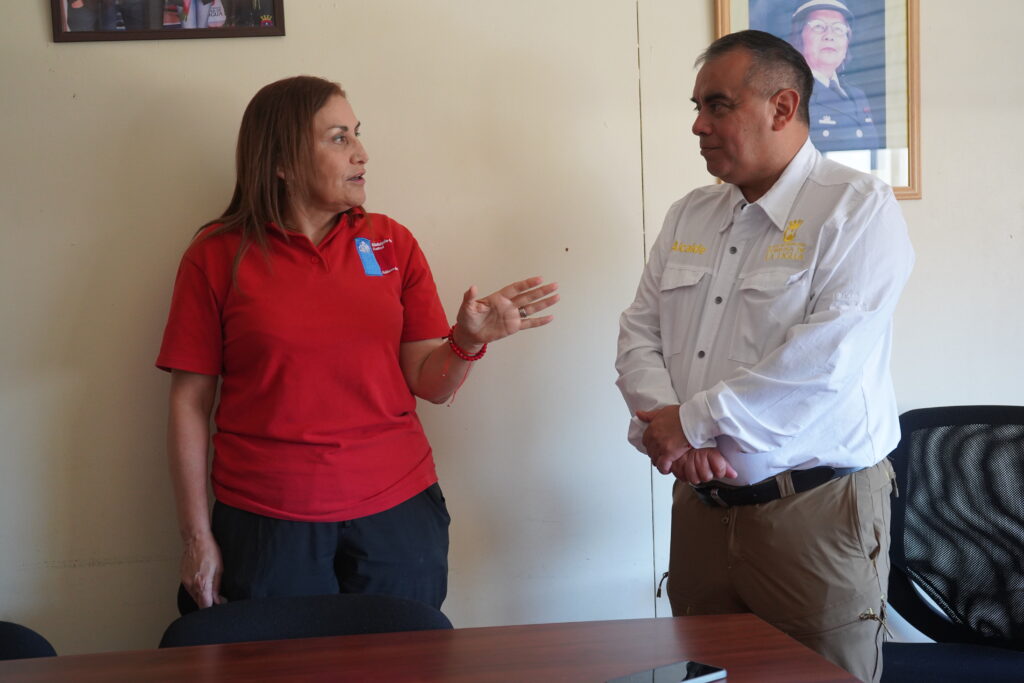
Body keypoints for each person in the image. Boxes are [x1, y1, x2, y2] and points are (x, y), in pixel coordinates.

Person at [157, 75, 558, 614]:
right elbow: (188, 403)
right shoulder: (215, 256)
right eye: (339, 138)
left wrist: (466, 340)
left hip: (397, 516)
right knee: (278, 661)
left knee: (404, 657)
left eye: (357, 133)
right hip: (268, 524)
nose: (361, 153)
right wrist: (196, 537)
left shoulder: (393, 242)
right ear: (281, 161)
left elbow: (431, 385)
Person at [615, 30, 913, 682]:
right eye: (697, 106)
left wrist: (689, 423)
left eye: (718, 105)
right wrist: (672, 425)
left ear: (782, 107)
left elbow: (825, 362)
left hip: (813, 512)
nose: (698, 125)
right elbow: (639, 332)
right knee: (706, 672)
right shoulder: (689, 214)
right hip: (701, 506)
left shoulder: (856, 208)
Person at [789, 0, 880, 152]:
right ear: (798, 37)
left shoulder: (857, 96)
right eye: (818, 26)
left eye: (838, 29)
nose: (829, 36)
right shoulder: (791, 93)